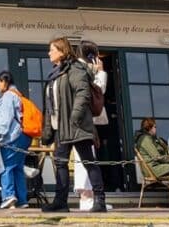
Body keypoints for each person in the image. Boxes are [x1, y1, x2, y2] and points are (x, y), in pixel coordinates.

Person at [40, 37, 106, 213]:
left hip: (77, 126)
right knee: (60, 164)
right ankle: (61, 202)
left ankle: (100, 201)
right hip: (60, 128)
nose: (49, 53)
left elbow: (82, 92)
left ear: (62, 51)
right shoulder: (55, 73)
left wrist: (75, 117)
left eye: (52, 49)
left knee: (88, 162)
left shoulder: (75, 68)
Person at [73, 40, 107, 211]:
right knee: (85, 158)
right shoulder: (84, 70)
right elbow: (98, 92)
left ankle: (89, 197)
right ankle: (87, 197)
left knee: (84, 158)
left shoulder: (77, 68)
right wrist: (100, 73)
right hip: (83, 121)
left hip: (78, 121)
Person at [0, 70, 29, 209]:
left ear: (5, 81)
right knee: (18, 168)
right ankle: (22, 199)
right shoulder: (18, 94)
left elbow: (5, 119)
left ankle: (9, 196)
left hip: (12, 136)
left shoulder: (8, 96)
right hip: (24, 136)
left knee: (6, 166)